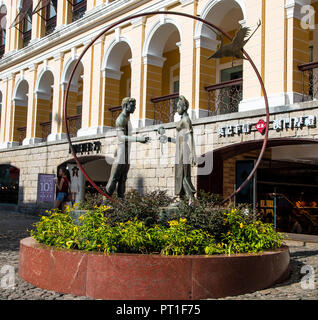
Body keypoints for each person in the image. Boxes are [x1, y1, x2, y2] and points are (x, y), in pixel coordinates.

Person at [105, 97, 149, 198]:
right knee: (114, 178)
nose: (135, 107)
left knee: (123, 179)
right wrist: (138, 139)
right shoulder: (120, 119)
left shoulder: (127, 119)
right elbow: (121, 137)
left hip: (126, 153)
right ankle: (105, 202)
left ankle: (121, 202)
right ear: (126, 105)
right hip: (121, 154)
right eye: (132, 105)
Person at [158, 95, 197, 204]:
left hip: (184, 149)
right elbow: (179, 140)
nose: (177, 109)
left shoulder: (186, 120)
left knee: (184, 173)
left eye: (178, 106)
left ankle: (191, 197)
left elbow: (190, 136)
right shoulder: (182, 120)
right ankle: (182, 198)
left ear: (184, 107)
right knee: (179, 173)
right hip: (179, 147)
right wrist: (168, 139)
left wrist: (193, 153)